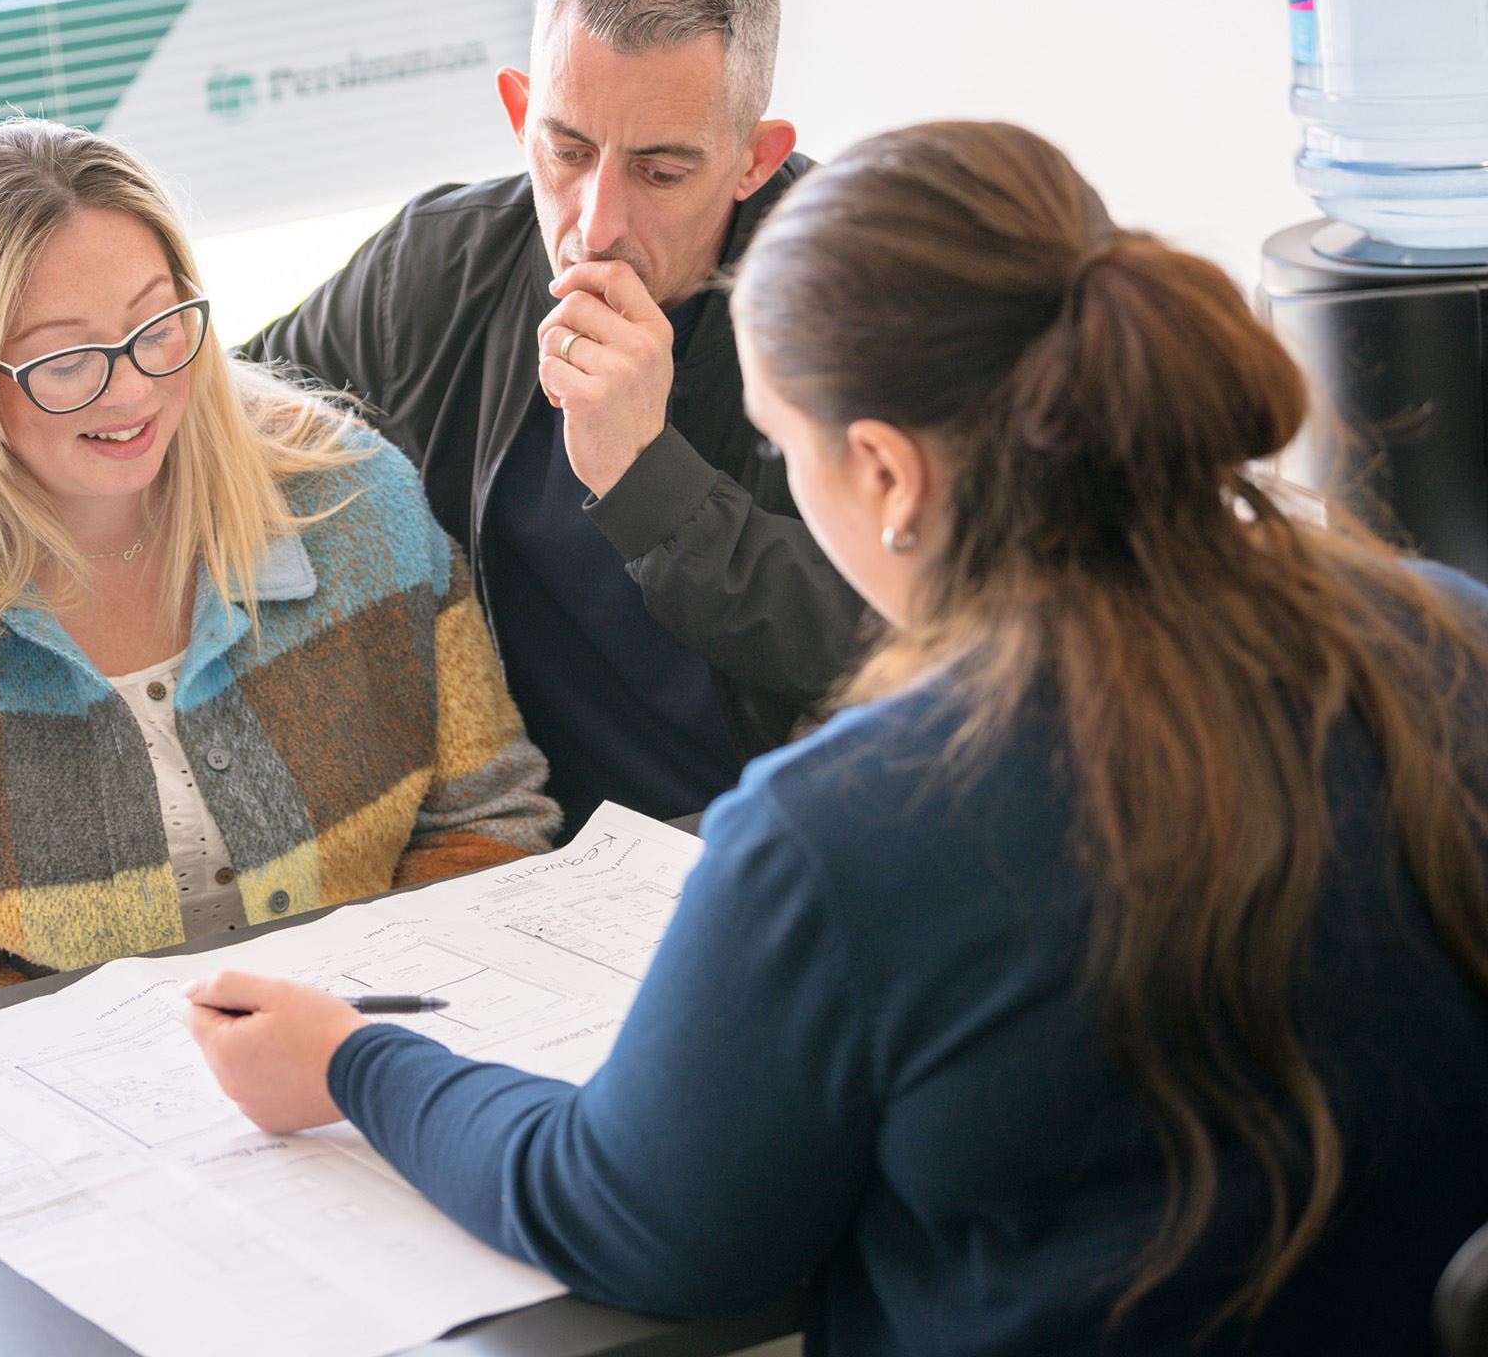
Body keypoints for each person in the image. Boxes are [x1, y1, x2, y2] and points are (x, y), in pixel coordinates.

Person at [180, 121, 1488, 1354]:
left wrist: (353, 1062)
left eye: (780, 445)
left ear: (888, 472)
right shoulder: (1445, 637)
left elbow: (637, 1224)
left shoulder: (854, 825)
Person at [0, 0, 866, 833]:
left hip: (769, 846)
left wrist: (644, 478)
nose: (595, 220)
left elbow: (901, 644)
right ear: (518, 111)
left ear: (753, 158)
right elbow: (180, 411)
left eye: (660, 171)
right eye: (565, 149)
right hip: (516, 852)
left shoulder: (846, 305)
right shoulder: (445, 266)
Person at [0, 117, 557, 1032]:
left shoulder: (350, 497)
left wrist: (352, 1046)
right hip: (50, 1101)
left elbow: (489, 819)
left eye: (156, 323)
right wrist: (120, 1071)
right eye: (68, 360)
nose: (135, 390)